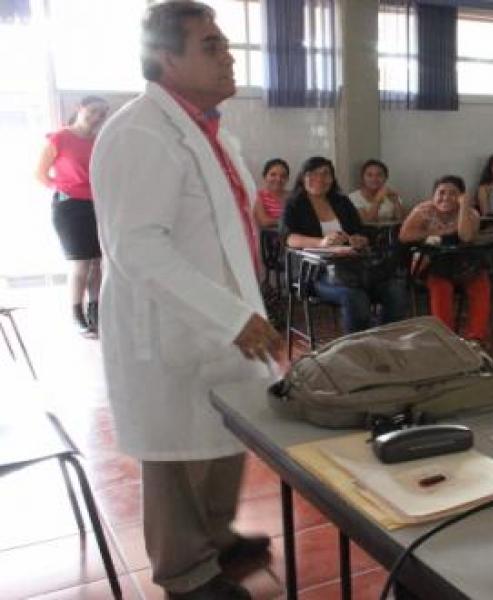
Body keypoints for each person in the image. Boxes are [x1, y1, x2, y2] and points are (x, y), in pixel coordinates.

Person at [90, 3, 278, 599]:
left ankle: (215, 538)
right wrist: (229, 315)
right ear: (166, 57)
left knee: (223, 437)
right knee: (176, 453)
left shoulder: (209, 130)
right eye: (211, 46)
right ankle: (184, 572)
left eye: (225, 44)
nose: (228, 56)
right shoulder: (140, 131)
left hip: (223, 318)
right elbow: (137, 246)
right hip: (172, 325)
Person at [281, 156, 408, 333]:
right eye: (312, 174)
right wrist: (321, 242)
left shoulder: (341, 201)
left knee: (396, 289)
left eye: (325, 174)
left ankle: (383, 339)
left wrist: (359, 239)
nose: (320, 179)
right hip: (315, 273)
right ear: (303, 177)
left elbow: (361, 231)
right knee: (355, 297)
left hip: (353, 268)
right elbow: (289, 238)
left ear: (332, 179)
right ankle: (357, 346)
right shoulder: (294, 204)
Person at [35, 95, 109, 336]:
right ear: (80, 108)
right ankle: (77, 315)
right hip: (69, 208)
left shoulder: (99, 141)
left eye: (102, 113)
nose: (97, 117)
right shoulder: (60, 137)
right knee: (80, 263)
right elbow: (40, 174)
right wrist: (63, 189)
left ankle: (95, 311)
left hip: (96, 206)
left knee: (98, 262)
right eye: (93, 110)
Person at [400, 175, 490, 342]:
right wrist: (438, 232)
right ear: (433, 195)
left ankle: (476, 337)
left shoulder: (470, 213)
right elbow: (404, 236)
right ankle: (445, 338)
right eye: (441, 193)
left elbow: (466, 237)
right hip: (429, 261)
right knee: (441, 284)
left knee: (480, 279)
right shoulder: (423, 210)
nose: (446, 197)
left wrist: (464, 207)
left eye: (453, 193)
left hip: (460, 262)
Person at [348, 158, 406, 222]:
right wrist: (378, 199)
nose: (374, 179)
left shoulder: (390, 194)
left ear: (386, 178)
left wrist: (396, 202)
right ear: (362, 178)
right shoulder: (353, 198)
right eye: (369, 175)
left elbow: (402, 220)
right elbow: (366, 222)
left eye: (379, 175)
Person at [252, 157, 289, 228]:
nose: (278, 179)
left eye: (283, 176)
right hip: (269, 234)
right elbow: (264, 221)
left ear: (287, 179)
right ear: (265, 177)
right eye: (273, 175)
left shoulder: (293, 196)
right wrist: (289, 221)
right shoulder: (258, 196)